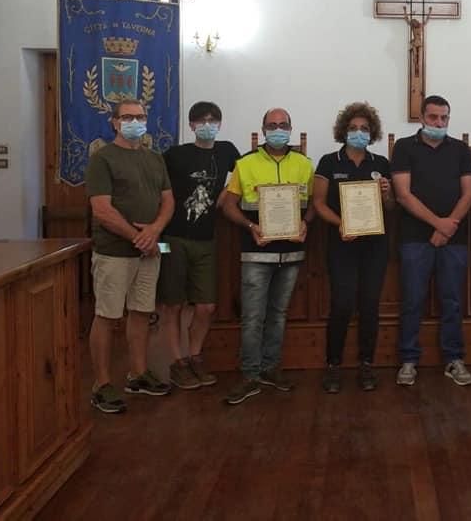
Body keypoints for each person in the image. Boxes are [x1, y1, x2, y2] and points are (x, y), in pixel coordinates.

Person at [220, 108, 314, 405]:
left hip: (291, 253)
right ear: (263, 130)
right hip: (256, 254)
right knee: (252, 317)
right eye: (272, 125)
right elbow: (228, 206)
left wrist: (306, 222)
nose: (277, 129)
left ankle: (270, 369)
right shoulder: (245, 163)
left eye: (283, 125)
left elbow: (315, 202)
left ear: (290, 128)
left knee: (278, 315)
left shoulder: (304, 164)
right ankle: (249, 375)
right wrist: (250, 226)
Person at [86, 98, 174, 413]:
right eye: (127, 117)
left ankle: (138, 374)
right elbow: (101, 209)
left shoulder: (155, 158)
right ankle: (101, 384)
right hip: (114, 251)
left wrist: (155, 231)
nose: (134, 122)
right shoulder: (103, 159)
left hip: (150, 250)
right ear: (114, 122)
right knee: (107, 316)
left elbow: (168, 201)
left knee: (141, 312)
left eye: (140, 116)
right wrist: (138, 237)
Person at [391, 94, 471, 387]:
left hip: (454, 238)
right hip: (415, 238)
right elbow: (403, 195)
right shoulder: (404, 147)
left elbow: (468, 194)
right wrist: (438, 224)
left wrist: (448, 227)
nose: (439, 123)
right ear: (421, 118)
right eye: (433, 117)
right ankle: (408, 360)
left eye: (444, 118)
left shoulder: (460, 149)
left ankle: (454, 359)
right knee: (412, 300)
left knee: (452, 301)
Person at [312, 101, 396, 393]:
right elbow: (318, 203)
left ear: (372, 133)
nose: (359, 132)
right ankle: (333, 365)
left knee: (370, 305)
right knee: (342, 304)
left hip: (375, 245)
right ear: (343, 130)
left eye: (364, 128)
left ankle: (367, 364)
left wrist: (386, 194)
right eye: (353, 128)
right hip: (342, 244)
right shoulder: (329, 162)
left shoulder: (381, 163)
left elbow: (390, 207)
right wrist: (341, 224)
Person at [156, 101, 240, 390]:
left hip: (206, 240)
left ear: (220, 124)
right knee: (173, 304)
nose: (207, 125)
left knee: (206, 306)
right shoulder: (175, 154)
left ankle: (195, 355)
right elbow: (159, 189)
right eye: (201, 121)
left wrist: (226, 195)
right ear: (191, 125)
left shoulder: (226, 150)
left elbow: (246, 174)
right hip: (171, 240)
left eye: (213, 120)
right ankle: (177, 361)